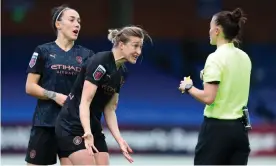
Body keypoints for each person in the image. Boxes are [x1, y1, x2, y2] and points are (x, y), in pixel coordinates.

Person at [55, 25, 151, 165]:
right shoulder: (100, 61)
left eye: (140, 47)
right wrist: (87, 133)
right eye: (135, 46)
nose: (139, 51)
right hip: (71, 125)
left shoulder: (122, 73)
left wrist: (120, 140)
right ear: (121, 45)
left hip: (94, 127)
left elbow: (110, 109)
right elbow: (85, 101)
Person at [179, 8, 251, 165]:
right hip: (240, 131)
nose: (209, 31)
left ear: (217, 30)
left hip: (217, 131)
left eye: (210, 27)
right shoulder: (244, 57)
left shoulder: (215, 58)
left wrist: (188, 87)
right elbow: (231, 81)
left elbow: (208, 97)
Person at [25, 5, 94, 165]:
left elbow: (90, 90)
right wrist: (55, 96)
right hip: (45, 123)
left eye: (79, 21)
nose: (77, 24)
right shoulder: (43, 51)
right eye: (72, 20)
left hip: (73, 126)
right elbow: (30, 87)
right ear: (58, 24)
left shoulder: (87, 55)